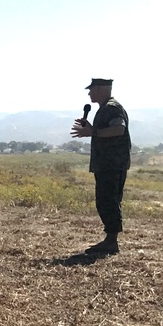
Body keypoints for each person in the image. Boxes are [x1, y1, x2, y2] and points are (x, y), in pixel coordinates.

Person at [70, 78, 131, 255]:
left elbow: (119, 129)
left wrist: (93, 132)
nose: (89, 93)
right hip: (107, 163)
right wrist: (91, 129)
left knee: (108, 200)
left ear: (102, 89)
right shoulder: (105, 108)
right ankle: (110, 239)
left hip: (112, 164)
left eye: (92, 89)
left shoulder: (111, 108)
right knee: (106, 200)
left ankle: (111, 241)